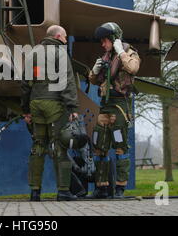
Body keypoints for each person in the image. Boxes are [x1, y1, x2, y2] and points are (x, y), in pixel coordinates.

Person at [21, 25, 79, 201]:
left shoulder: (33, 53)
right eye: (65, 36)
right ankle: (63, 191)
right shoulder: (60, 53)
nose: (65, 39)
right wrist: (72, 108)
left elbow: (25, 83)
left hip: (35, 103)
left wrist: (26, 110)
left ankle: (35, 192)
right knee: (58, 147)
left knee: (38, 146)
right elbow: (67, 81)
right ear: (58, 36)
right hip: (54, 104)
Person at [88, 22, 140, 198]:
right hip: (105, 105)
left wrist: (121, 52)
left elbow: (133, 68)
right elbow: (95, 80)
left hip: (120, 105)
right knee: (99, 145)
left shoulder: (128, 52)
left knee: (120, 146)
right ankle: (101, 187)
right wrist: (93, 72)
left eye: (105, 41)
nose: (103, 44)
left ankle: (120, 188)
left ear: (113, 39)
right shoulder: (106, 57)